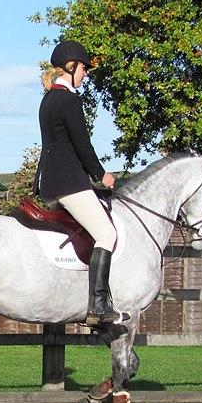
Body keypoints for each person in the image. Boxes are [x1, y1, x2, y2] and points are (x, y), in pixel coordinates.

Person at [34, 40, 122, 325]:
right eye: (84, 68)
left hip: (50, 183)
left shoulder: (48, 99)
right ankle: (98, 305)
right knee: (107, 235)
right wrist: (101, 175)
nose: (85, 74)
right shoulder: (68, 100)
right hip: (68, 183)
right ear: (71, 67)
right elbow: (82, 146)